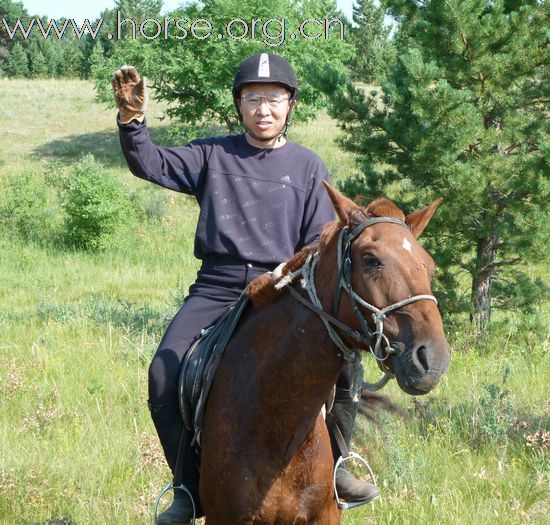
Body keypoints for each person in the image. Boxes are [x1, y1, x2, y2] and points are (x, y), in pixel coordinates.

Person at [112, 52, 380, 525]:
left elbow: (317, 244)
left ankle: (339, 464)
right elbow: (148, 163)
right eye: (252, 99)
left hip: (285, 289)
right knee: (161, 375)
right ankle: (188, 488)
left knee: (344, 367)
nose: (263, 109)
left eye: (273, 99)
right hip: (217, 287)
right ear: (239, 106)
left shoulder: (307, 166)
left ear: (290, 105)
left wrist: (281, 275)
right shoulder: (213, 154)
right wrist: (133, 122)